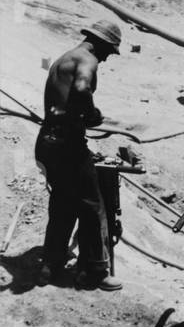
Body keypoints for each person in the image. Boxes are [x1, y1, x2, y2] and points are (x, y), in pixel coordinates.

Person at [35, 20, 124, 291]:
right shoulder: (88, 60)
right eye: (109, 51)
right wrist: (92, 114)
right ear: (101, 44)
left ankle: (51, 262)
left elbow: (62, 102)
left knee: (62, 202)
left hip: (47, 141)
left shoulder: (62, 60)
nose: (108, 58)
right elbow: (83, 89)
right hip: (69, 145)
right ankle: (96, 272)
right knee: (91, 206)